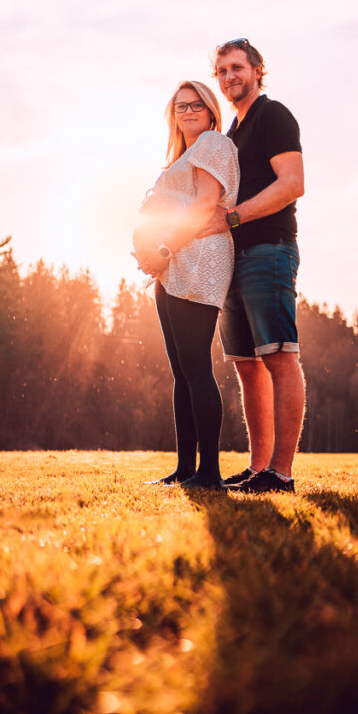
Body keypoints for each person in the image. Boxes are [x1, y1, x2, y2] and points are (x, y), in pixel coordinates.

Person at [202, 38, 305, 494]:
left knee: (280, 357)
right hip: (232, 259)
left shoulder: (273, 115)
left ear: (257, 70)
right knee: (246, 366)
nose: (229, 77)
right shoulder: (229, 138)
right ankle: (259, 467)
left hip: (269, 251)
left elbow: (293, 184)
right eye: (221, 71)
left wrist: (237, 216)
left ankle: (280, 474)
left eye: (237, 68)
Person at [133, 80, 239, 490]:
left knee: (196, 367)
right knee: (182, 371)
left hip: (198, 259)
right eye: (181, 107)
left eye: (197, 104)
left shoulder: (213, 143)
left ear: (212, 110)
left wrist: (163, 248)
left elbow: (204, 205)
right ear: (172, 116)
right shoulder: (184, 155)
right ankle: (185, 469)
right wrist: (151, 253)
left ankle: (209, 473)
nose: (189, 111)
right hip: (171, 263)